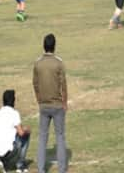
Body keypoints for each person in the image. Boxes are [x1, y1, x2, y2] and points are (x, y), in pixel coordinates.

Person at [33, 33, 68, 173]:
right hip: (57, 105)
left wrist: (39, 100)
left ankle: (41, 169)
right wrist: (64, 102)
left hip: (44, 105)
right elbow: (63, 84)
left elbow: (35, 84)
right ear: (54, 46)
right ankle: (62, 169)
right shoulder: (58, 62)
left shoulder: (38, 63)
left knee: (42, 137)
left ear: (44, 46)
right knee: (60, 136)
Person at [0, 90, 31, 173]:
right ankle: (20, 165)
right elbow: (21, 132)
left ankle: (1, 162)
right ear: (13, 100)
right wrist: (27, 129)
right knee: (25, 135)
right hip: (8, 152)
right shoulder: (14, 113)